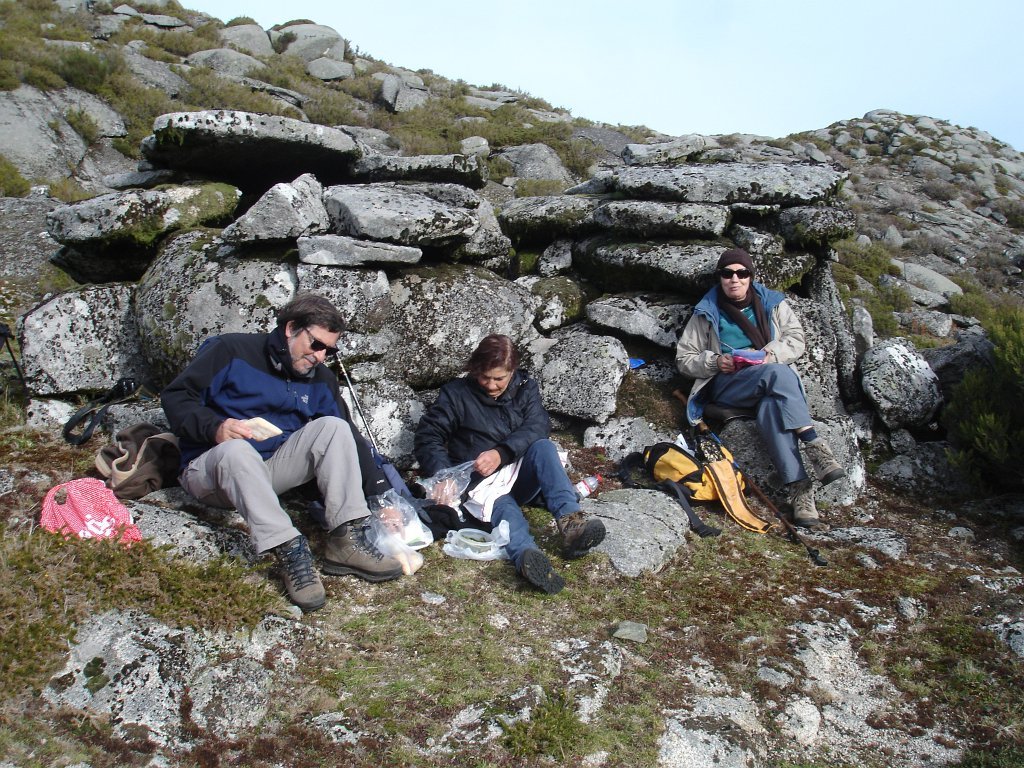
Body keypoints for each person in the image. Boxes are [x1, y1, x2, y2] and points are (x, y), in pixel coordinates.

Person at [162, 293, 406, 613]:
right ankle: (289, 550)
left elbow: (351, 438)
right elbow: (177, 396)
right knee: (237, 451)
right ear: (291, 328)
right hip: (211, 469)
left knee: (334, 427)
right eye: (315, 344)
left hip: (268, 471)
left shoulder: (321, 379)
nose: (320, 356)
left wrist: (382, 496)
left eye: (329, 350)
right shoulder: (230, 350)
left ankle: (346, 539)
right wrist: (215, 428)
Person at [413, 334, 606, 594]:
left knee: (543, 447)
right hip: (483, 483)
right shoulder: (456, 394)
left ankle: (572, 523)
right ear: (474, 369)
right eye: (484, 377)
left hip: (520, 470)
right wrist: (444, 475)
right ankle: (528, 558)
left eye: (499, 379)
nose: (491, 385)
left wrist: (501, 453)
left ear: (512, 370)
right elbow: (429, 436)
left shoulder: (525, 388)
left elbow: (538, 426)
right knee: (503, 507)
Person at [675, 248, 845, 530]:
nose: (735, 279)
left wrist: (768, 354)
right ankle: (814, 445)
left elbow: (796, 339)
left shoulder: (772, 303)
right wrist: (716, 362)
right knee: (778, 373)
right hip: (727, 385)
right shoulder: (706, 311)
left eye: (742, 273)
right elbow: (684, 359)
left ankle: (800, 491)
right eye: (727, 273)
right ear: (720, 278)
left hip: (766, 379)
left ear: (751, 277)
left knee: (771, 408)